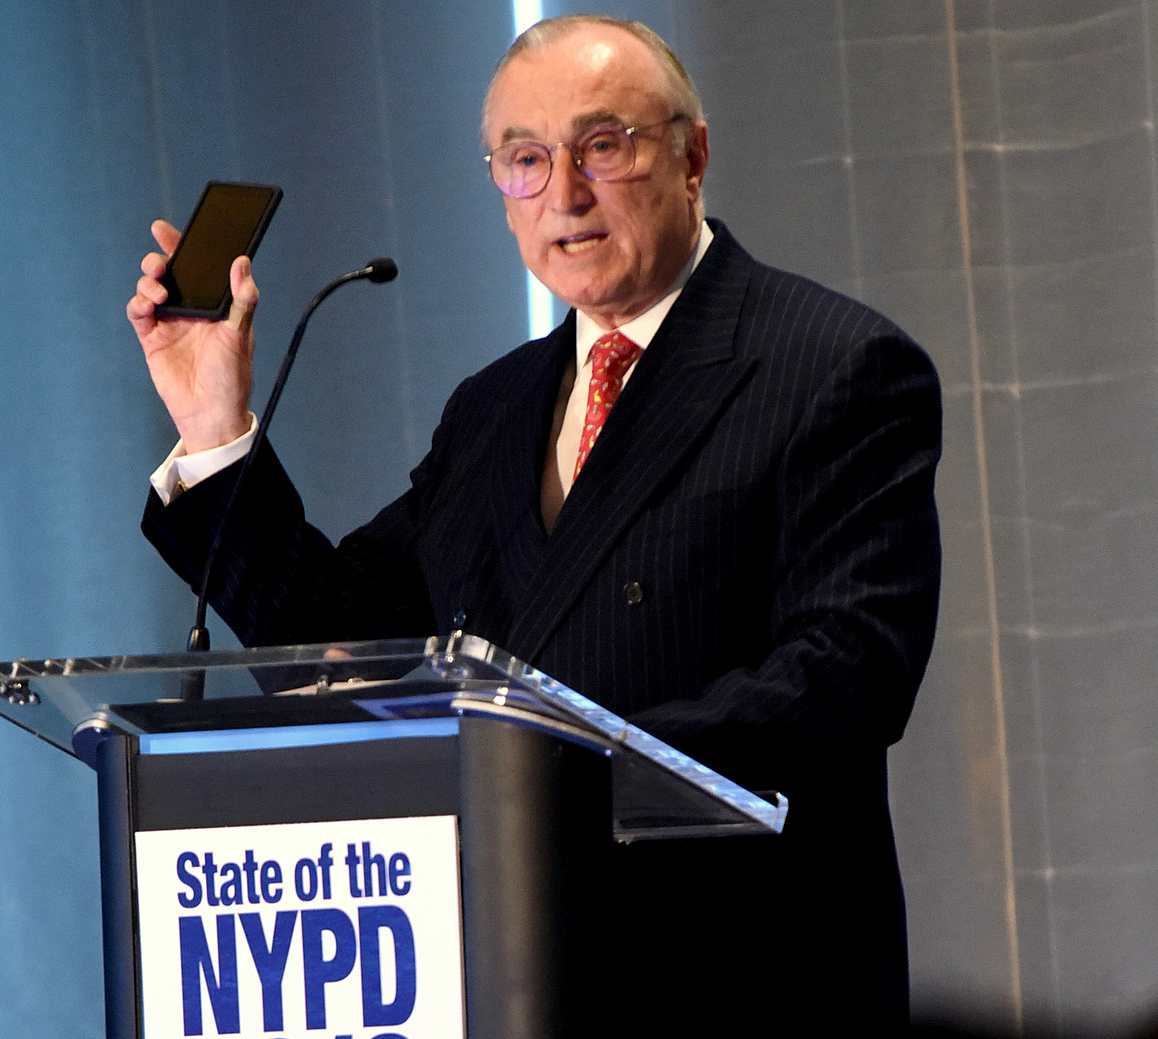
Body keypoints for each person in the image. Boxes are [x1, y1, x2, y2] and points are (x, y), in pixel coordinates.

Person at [129, 14, 941, 1032]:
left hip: (737, 984)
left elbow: (847, 674)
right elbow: (337, 641)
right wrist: (215, 423)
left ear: (693, 158)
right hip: (519, 982)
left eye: (604, 145)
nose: (565, 193)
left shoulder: (832, 365)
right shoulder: (495, 408)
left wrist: (542, 776)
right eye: (525, 160)